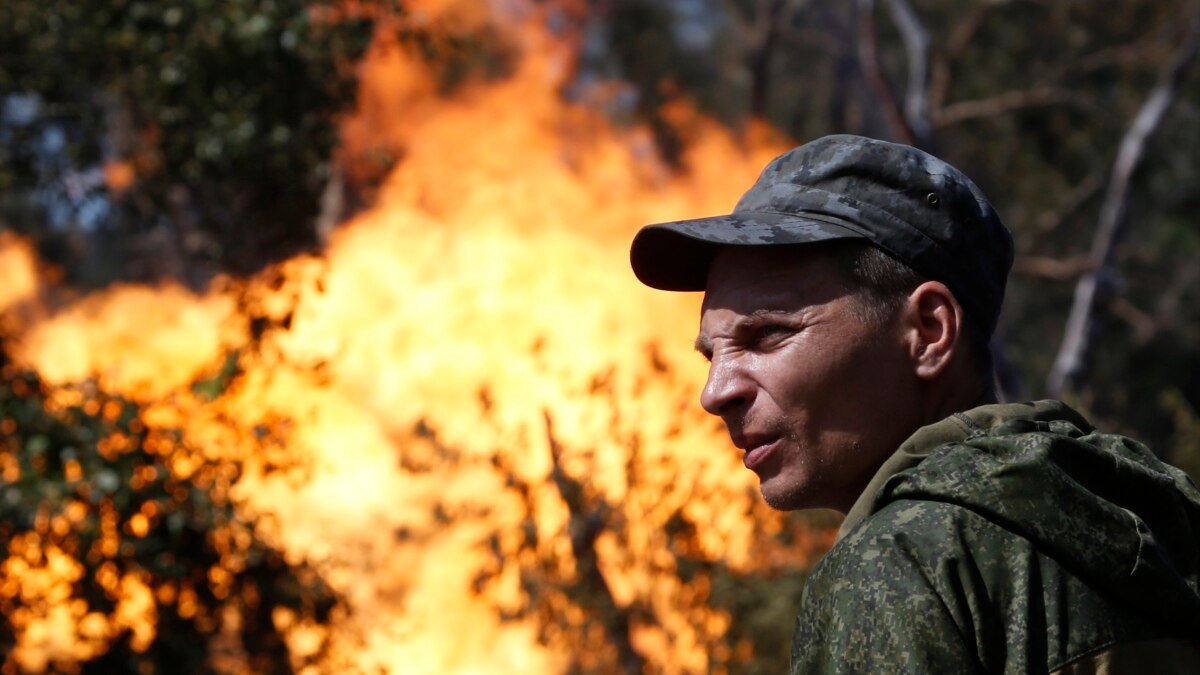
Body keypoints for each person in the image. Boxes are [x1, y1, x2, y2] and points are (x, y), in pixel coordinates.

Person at [629, 134, 1200, 673]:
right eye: (711, 356)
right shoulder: (1140, 520)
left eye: (768, 336)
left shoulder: (903, 561)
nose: (716, 392)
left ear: (928, 331)